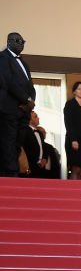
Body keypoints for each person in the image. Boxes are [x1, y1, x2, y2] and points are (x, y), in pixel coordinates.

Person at [0, 32, 34, 177]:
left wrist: (31, 101)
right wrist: (26, 99)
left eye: (23, 41)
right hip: (9, 108)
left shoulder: (24, 63)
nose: (21, 44)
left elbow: (30, 85)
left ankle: (12, 171)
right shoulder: (2, 57)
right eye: (18, 41)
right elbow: (8, 82)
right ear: (9, 42)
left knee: (17, 143)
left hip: (24, 111)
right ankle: (10, 174)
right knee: (8, 142)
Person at [62, 81, 81, 179]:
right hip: (74, 139)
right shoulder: (70, 104)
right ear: (74, 91)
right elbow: (68, 123)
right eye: (79, 89)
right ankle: (72, 192)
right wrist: (73, 139)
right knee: (76, 168)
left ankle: (79, 192)